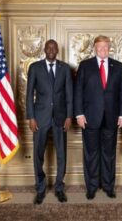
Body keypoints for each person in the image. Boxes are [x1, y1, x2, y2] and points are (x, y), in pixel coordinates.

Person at [74, 35, 122, 200]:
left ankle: (108, 186)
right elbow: (78, 92)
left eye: (106, 47)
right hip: (89, 117)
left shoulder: (118, 66)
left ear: (109, 47)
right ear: (94, 48)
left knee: (109, 154)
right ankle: (91, 187)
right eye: (100, 47)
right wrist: (79, 114)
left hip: (112, 117)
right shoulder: (85, 66)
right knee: (91, 153)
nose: (103, 50)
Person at [26, 39, 73, 204]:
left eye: (54, 47)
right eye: (49, 47)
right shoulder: (35, 67)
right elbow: (29, 94)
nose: (51, 49)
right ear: (44, 50)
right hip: (40, 118)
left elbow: (69, 94)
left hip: (61, 118)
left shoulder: (65, 68)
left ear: (57, 50)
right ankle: (40, 188)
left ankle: (59, 187)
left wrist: (69, 116)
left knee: (61, 154)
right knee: (38, 154)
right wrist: (31, 117)